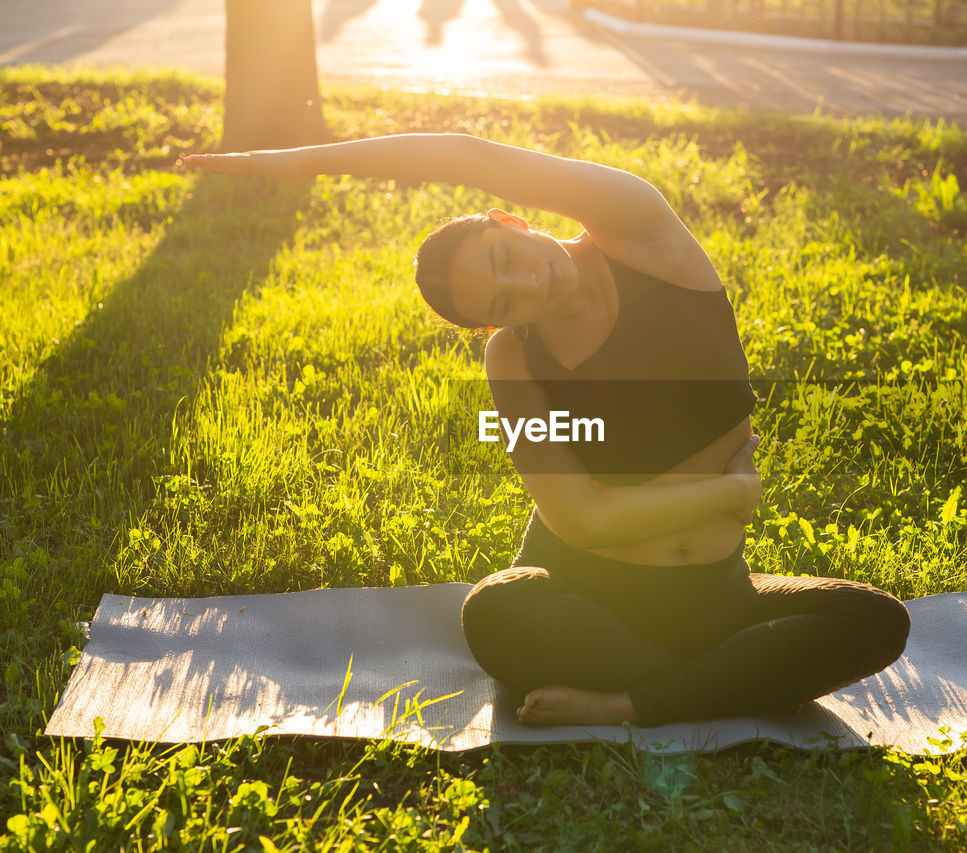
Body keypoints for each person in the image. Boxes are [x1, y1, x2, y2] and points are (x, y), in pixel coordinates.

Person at [183, 133, 910, 727]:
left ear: (513, 221)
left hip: (717, 596)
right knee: (496, 610)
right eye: (504, 298)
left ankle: (642, 696)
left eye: (508, 259)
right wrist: (728, 497)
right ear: (494, 321)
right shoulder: (513, 359)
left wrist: (299, 156)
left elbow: (473, 156)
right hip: (586, 595)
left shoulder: (641, 234)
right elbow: (583, 520)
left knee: (875, 620)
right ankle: (720, 688)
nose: (531, 284)